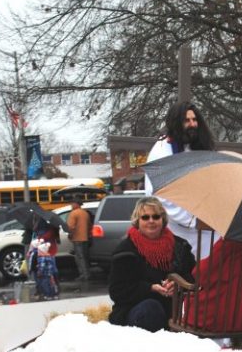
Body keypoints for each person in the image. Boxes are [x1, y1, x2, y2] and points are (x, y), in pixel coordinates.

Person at [108, 197, 195, 332]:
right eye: (145, 217)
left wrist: (179, 285)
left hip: (175, 308)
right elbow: (117, 291)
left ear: (163, 219)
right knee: (151, 308)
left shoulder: (180, 246)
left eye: (156, 216)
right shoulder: (125, 250)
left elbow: (194, 276)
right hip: (137, 310)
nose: (151, 221)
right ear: (137, 221)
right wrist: (150, 288)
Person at [145, 101, 218, 259]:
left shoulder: (196, 147)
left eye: (195, 120)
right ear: (176, 123)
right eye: (187, 120)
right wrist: (194, 220)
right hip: (177, 228)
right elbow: (160, 196)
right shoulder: (162, 151)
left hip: (204, 225)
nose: (193, 124)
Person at [30, 219, 60, 300]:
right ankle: (52, 291)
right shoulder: (49, 229)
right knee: (51, 273)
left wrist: (39, 239)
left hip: (46, 252)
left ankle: (49, 292)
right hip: (47, 252)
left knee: (48, 275)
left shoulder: (46, 233)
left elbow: (42, 239)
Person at [67, 194, 91, 281]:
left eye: (72, 203)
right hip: (85, 238)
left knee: (79, 258)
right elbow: (89, 226)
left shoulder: (73, 213)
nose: (71, 205)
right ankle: (87, 273)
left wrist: (70, 234)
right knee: (85, 257)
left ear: (76, 204)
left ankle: (83, 275)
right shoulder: (85, 213)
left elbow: (71, 227)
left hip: (77, 238)